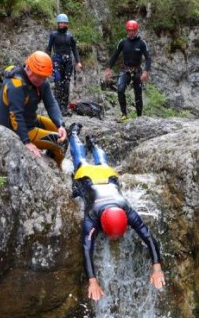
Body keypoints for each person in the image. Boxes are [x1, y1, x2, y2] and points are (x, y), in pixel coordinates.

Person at [68, 125, 165, 301]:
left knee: (102, 163)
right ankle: (74, 134)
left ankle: (90, 141)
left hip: (107, 178)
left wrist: (157, 267)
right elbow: (86, 247)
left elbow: (149, 238)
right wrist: (92, 281)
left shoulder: (126, 210)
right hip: (88, 178)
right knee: (80, 159)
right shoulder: (92, 216)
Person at [0, 51, 69, 166]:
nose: (41, 81)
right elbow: (15, 115)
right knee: (61, 143)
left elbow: (51, 103)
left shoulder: (42, 82)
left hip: (30, 120)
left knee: (63, 134)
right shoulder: (16, 85)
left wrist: (60, 124)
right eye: (38, 77)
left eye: (44, 77)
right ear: (28, 69)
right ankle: (57, 169)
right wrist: (26, 142)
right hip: (16, 129)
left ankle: (50, 154)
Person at [103, 20, 152, 121]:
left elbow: (148, 58)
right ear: (127, 31)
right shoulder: (123, 42)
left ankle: (139, 117)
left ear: (136, 31)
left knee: (138, 93)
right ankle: (124, 114)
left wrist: (146, 71)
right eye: (129, 30)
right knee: (120, 89)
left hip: (137, 70)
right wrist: (109, 68)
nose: (131, 32)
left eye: (133, 30)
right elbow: (115, 55)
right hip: (125, 70)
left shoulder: (141, 43)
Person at [46, 13, 83, 116]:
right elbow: (49, 49)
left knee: (66, 84)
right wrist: (47, 62)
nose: (63, 24)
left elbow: (74, 49)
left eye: (65, 23)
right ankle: (57, 107)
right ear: (58, 24)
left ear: (67, 24)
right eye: (61, 23)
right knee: (58, 83)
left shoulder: (70, 36)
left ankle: (64, 107)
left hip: (68, 62)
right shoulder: (53, 35)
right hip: (57, 61)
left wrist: (78, 61)